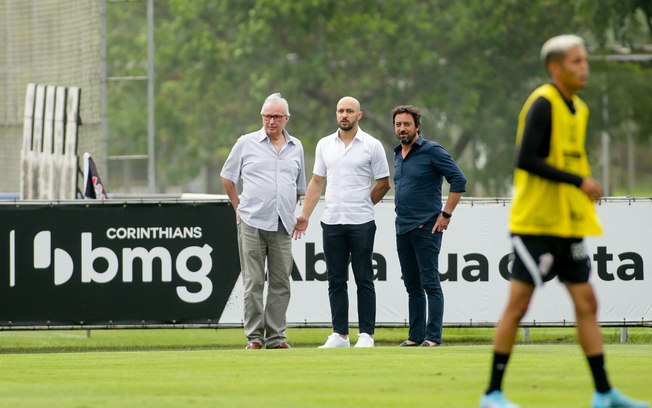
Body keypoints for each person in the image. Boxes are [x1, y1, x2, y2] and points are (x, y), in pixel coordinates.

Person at [479, 35, 649, 408]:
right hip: (536, 224)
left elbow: (567, 161)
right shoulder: (543, 102)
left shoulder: (581, 109)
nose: (583, 67)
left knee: (587, 302)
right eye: (576, 61)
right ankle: (492, 394)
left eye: (584, 60)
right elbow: (527, 159)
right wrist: (579, 182)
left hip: (567, 225)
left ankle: (604, 393)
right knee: (518, 306)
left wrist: (580, 194)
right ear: (555, 68)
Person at [293, 96, 390, 348]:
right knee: (336, 279)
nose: (344, 115)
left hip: (361, 222)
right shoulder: (325, 144)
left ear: (359, 115)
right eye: (340, 111)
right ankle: (340, 334)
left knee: (364, 277)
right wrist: (305, 214)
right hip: (332, 221)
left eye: (349, 111)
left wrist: (365, 203)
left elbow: (383, 183)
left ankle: (366, 334)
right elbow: (316, 182)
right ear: (336, 114)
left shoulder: (372, 145)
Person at [220, 93, 306, 350]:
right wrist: (238, 206)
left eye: (277, 116)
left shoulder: (296, 147)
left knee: (281, 282)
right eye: (268, 116)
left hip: (282, 224)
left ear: (286, 119)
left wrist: (291, 210)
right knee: (254, 281)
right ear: (262, 117)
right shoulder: (246, 143)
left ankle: (277, 337)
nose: (271, 121)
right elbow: (227, 177)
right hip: (252, 221)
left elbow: (299, 187)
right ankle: (255, 337)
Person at [392, 105, 466, 348]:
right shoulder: (397, 154)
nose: (402, 128)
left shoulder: (432, 151)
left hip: (427, 228)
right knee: (412, 285)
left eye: (406, 124)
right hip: (403, 228)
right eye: (398, 124)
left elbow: (458, 180)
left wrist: (446, 214)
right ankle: (415, 336)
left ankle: (433, 337)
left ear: (417, 126)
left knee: (430, 283)